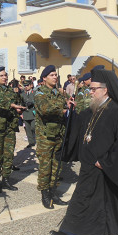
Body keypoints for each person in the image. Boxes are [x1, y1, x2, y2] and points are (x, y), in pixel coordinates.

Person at [50, 68, 118, 235]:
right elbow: (81, 122)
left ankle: (81, 230)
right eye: (90, 89)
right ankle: (76, 229)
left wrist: (107, 161)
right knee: (86, 197)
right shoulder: (95, 108)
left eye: (94, 89)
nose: (90, 92)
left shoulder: (117, 111)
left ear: (105, 89)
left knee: (97, 200)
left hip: (103, 166)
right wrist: (71, 112)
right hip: (90, 164)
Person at [34, 65, 69, 209]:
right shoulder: (39, 93)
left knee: (57, 166)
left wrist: (68, 105)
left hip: (58, 134)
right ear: (44, 78)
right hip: (45, 136)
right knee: (45, 166)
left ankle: (53, 191)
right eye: (52, 75)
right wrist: (62, 110)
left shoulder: (58, 93)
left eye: (56, 75)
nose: (55, 77)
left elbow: (64, 105)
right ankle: (45, 194)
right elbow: (44, 109)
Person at [0, 66, 24, 193]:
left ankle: (6, 179)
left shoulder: (10, 90)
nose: (5, 77)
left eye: (5, 75)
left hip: (9, 127)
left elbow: (17, 101)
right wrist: (12, 105)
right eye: (1, 75)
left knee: (8, 154)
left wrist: (19, 108)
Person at [20, 80, 36, 148]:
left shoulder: (35, 93)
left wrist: (33, 102)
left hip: (33, 113)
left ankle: (35, 138)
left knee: (33, 127)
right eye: (25, 86)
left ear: (31, 85)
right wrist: (21, 113)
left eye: (27, 85)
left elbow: (38, 101)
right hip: (26, 113)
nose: (26, 87)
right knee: (28, 129)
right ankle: (31, 142)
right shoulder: (22, 94)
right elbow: (20, 103)